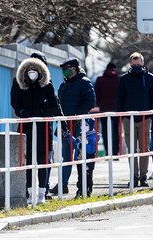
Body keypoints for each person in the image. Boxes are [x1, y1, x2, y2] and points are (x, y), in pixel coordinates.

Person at [11, 55, 63, 204]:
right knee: (27, 161)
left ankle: (42, 192)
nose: (32, 72)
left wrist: (42, 113)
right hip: (26, 126)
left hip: (42, 128)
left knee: (42, 161)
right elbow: (15, 103)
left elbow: (55, 106)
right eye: (29, 69)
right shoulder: (18, 83)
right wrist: (23, 113)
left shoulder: (47, 84)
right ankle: (28, 192)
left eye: (35, 69)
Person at [49, 58, 96, 196]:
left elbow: (90, 102)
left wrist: (77, 115)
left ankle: (83, 188)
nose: (64, 70)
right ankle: (63, 185)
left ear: (74, 68)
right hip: (65, 125)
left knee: (82, 156)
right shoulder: (64, 85)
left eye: (66, 68)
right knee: (66, 156)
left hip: (80, 125)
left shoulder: (84, 82)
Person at [117, 52, 153, 187]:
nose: (136, 66)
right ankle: (134, 177)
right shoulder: (124, 79)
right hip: (129, 119)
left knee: (144, 148)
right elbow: (120, 99)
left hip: (145, 119)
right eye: (134, 64)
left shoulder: (150, 78)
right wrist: (122, 115)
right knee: (131, 149)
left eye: (138, 63)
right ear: (130, 64)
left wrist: (152, 115)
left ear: (143, 63)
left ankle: (143, 176)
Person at [65, 118, 100, 197]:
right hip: (80, 159)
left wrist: (82, 145)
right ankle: (80, 191)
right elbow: (75, 144)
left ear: (90, 126)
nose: (83, 127)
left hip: (89, 160)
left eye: (86, 125)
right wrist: (68, 136)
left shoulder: (92, 137)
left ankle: (88, 191)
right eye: (82, 125)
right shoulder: (81, 135)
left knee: (88, 176)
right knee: (80, 176)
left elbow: (92, 149)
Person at [94, 62, 120, 157]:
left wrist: (100, 104)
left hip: (104, 109)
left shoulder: (100, 80)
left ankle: (107, 151)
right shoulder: (119, 79)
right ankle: (115, 151)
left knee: (105, 131)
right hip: (116, 110)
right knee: (116, 131)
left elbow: (96, 94)